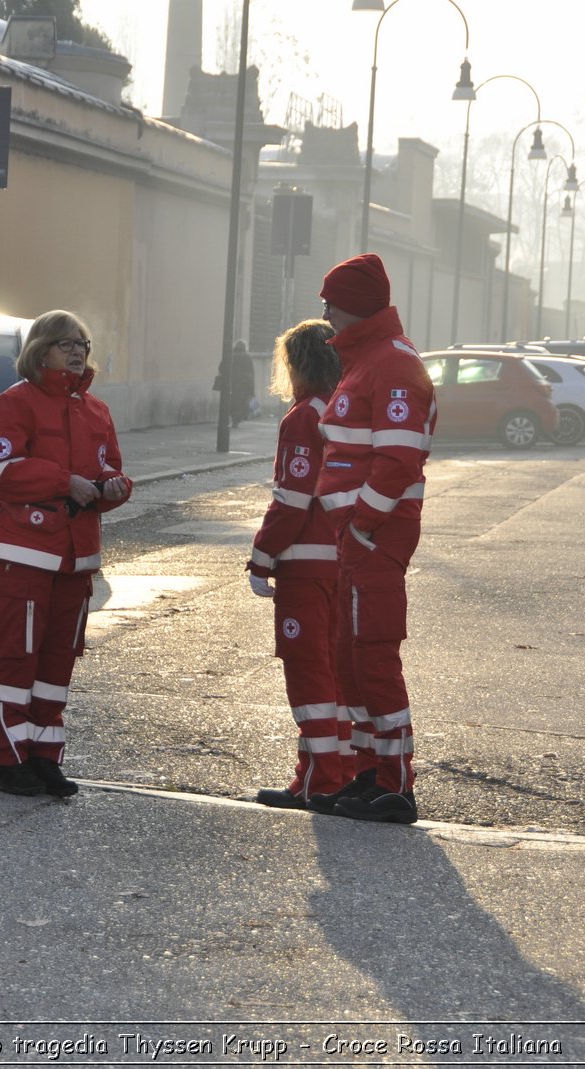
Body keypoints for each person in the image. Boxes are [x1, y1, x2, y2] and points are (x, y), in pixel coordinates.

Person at [0, 310, 134, 797]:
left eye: (82, 342)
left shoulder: (96, 411)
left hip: (75, 560)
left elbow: (112, 470)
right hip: (22, 557)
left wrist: (113, 488)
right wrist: (65, 482)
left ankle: (45, 757)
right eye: (65, 342)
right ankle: (8, 760)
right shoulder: (15, 403)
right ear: (40, 348)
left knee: (56, 666)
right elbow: (0, 470)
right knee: (17, 661)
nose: (77, 350)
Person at [311, 253, 436, 824]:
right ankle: (367, 775)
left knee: (374, 658)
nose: (325, 312)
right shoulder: (370, 361)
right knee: (349, 657)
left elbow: (398, 461)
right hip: (356, 540)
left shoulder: (391, 365)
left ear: (351, 304)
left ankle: (395, 785)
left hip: (373, 539)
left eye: (330, 301)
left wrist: (361, 525)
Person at [248, 320, 347, 810]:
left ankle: (320, 780)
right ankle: (326, 773)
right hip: (343, 563)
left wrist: (262, 557)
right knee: (333, 672)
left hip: (304, 566)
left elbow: (291, 499)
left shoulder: (304, 417)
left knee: (307, 674)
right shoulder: (345, 411)